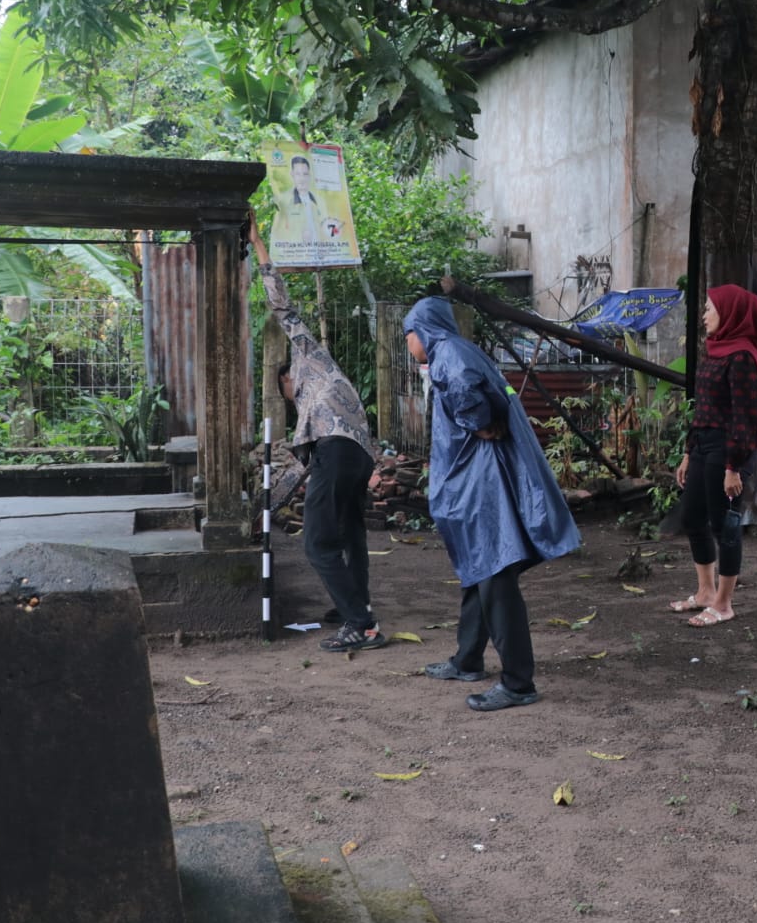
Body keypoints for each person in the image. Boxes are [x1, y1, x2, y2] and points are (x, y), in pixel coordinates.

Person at [403, 291, 581, 712]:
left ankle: (518, 683)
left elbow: (465, 389)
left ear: (422, 331)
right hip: (476, 481)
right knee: (478, 570)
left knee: (495, 576)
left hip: (481, 485)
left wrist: (477, 423)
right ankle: (467, 660)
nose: (408, 343)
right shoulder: (458, 349)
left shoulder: (447, 353)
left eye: (408, 334)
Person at [249, 221, 384, 653]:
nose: (288, 399)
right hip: (358, 455)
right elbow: (307, 471)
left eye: (283, 391)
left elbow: (283, 308)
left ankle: (361, 625)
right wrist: (270, 503)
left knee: (316, 543)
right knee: (351, 533)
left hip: (339, 451)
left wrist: (257, 243)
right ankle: (355, 603)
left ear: (286, 377)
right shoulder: (325, 392)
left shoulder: (308, 356)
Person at [667, 284, 757, 628]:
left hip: (728, 449)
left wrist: (734, 467)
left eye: (711, 308)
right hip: (703, 446)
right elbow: (704, 409)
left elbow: (746, 417)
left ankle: (724, 604)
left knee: (724, 524)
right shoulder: (716, 350)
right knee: (692, 518)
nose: (705, 314)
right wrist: (687, 451)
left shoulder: (742, 356)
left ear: (731, 314)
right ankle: (705, 593)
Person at [277, 155, 344, 245]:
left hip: (319, 254)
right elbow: (279, 234)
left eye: (305, 174)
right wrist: (300, 236)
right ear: (292, 175)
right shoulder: (284, 201)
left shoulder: (320, 201)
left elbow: (327, 228)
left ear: (309, 175)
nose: (302, 179)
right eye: (298, 174)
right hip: (297, 254)